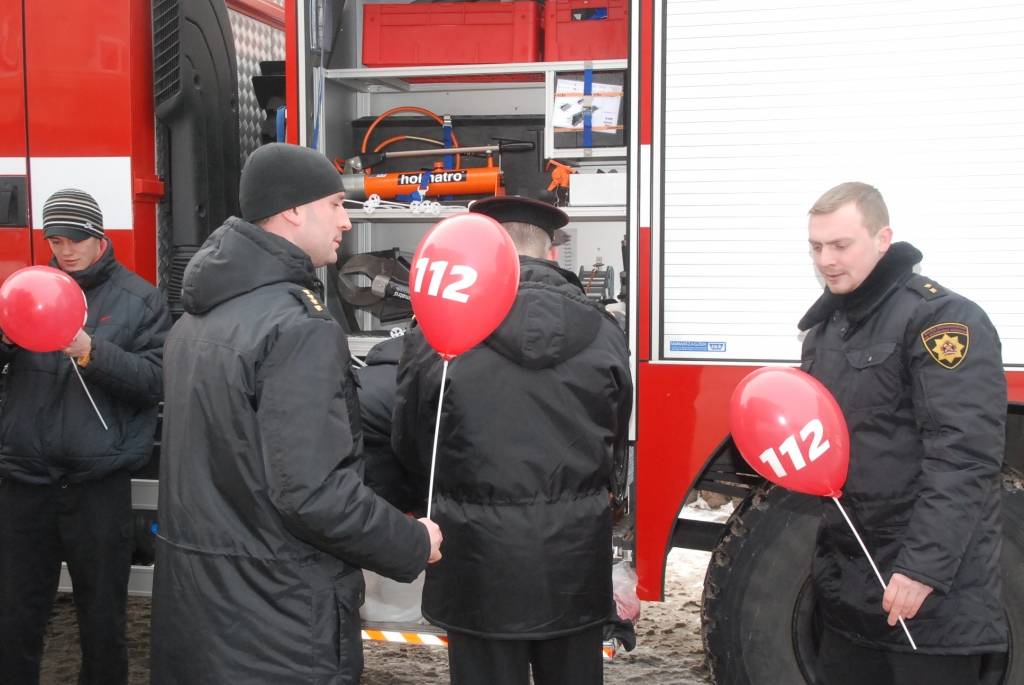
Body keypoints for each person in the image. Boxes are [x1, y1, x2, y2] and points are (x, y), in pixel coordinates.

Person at [150, 143, 442, 685]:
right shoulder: (297, 327)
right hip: (280, 621)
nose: (347, 221)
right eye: (335, 204)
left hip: (205, 612)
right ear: (293, 210)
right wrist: (412, 542)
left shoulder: (197, 321)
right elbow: (313, 494)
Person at [392, 196, 633, 685]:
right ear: (550, 254)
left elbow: (412, 442)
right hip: (573, 566)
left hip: (477, 566)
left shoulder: (436, 332)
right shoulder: (605, 332)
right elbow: (616, 440)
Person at [799, 182, 1007, 684]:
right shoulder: (826, 330)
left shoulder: (941, 319)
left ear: (882, 238)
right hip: (849, 586)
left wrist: (922, 571)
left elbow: (963, 456)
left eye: (841, 245)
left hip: (924, 597)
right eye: (816, 246)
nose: (826, 259)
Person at [0, 188, 171, 685]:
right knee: (15, 618)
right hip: (24, 482)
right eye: (55, 239)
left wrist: (90, 351)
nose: (65, 249)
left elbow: (154, 383)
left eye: (76, 238)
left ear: (100, 236)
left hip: (97, 486)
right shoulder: (24, 291)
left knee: (102, 619)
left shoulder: (141, 300)